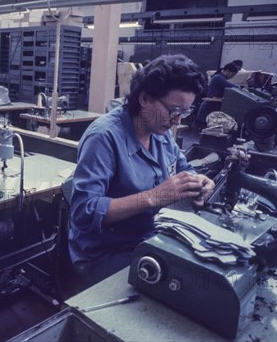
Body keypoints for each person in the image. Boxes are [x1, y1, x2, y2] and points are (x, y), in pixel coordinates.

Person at [69, 54, 215, 288]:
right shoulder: (104, 137)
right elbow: (84, 212)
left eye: (184, 112)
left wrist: (199, 182)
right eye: (174, 110)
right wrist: (154, 197)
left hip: (150, 238)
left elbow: (183, 169)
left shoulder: (162, 133)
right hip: (106, 253)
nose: (177, 121)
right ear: (145, 98)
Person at [195, 62, 240, 129]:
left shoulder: (220, 78)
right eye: (232, 74)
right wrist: (240, 87)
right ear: (227, 71)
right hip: (209, 108)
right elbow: (231, 86)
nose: (232, 77)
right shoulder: (218, 78)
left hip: (212, 108)